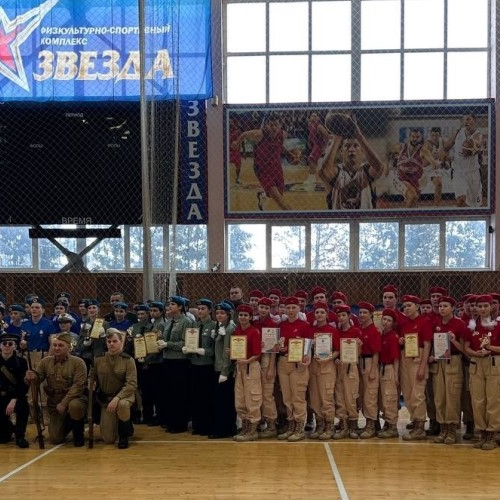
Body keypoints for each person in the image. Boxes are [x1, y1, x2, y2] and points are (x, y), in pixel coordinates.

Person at [25, 332, 88, 446]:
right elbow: (37, 379)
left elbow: (78, 386)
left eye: (60, 345)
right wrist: (31, 377)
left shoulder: (78, 362)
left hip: (74, 398)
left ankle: (78, 434)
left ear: (69, 347)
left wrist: (64, 403)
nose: (56, 348)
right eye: (54, 345)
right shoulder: (46, 362)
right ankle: (68, 422)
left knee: (75, 406)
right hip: (54, 402)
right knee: (55, 438)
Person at [319, 114, 384, 210]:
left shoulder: (366, 171)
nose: (351, 150)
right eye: (347, 146)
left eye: (356, 146)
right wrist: (337, 137)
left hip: (364, 219)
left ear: (362, 150)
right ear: (341, 151)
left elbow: (379, 167)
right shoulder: (336, 173)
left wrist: (360, 136)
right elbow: (324, 171)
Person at [232, 113, 292, 211]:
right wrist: (237, 143)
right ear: (266, 125)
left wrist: (290, 154)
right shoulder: (259, 135)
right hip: (263, 170)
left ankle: (262, 195)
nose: (273, 127)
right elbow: (244, 134)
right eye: (271, 125)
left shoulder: (283, 135)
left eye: (276, 125)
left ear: (280, 125)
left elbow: (279, 146)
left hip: (277, 168)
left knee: (278, 195)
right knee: (282, 204)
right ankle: (291, 216)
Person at [463, 294, 500, 450]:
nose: (483, 309)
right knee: (477, 400)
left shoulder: (498, 324)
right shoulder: (472, 325)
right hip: (476, 363)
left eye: (486, 306)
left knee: (493, 399)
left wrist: (490, 348)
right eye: (480, 306)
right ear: (476, 308)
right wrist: (475, 353)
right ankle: (482, 432)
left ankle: (492, 433)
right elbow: (466, 347)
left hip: (493, 362)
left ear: (491, 307)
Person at [431, 296, 467, 445]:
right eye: (440, 306)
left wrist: (453, 340)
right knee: (439, 396)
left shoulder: (459, 324)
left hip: (453, 361)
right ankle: (443, 428)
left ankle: (452, 429)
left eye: (445, 306)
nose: (442, 308)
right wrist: (432, 355)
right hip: (439, 362)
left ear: (452, 308)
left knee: (452, 396)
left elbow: (465, 349)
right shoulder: (436, 323)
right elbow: (433, 344)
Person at [277, 296, 312, 442]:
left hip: (298, 364)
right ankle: (291, 425)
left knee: (298, 396)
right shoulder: (281, 325)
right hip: (283, 362)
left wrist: (306, 359)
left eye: (293, 307)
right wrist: (280, 348)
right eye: (288, 308)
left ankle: (299, 427)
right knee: (287, 397)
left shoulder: (305, 326)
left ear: (299, 308)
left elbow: (308, 346)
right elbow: (278, 346)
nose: (291, 310)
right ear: (285, 309)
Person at [94, 329, 137, 449]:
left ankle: (124, 434)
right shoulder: (98, 359)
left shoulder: (128, 360)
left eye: (114, 341)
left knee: (123, 405)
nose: (111, 344)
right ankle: (119, 422)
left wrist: (117, 398)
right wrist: (91, 383)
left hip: (124, 395)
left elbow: (131, 384)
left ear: (121, 342)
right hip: (106, 397)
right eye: (109, 341)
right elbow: (93, 377)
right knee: (108, 439)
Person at [156, 296, 193, 433]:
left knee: (179, 393)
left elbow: (186, 343)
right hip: (167, 360)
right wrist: (160, 342)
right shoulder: (168, 322)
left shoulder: (186, 322)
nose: (169, 306)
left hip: (180, 361)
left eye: (172, 304)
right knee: (169, 392)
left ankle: (180, 423)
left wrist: (168, 344)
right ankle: (170, 420)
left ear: (180, 307)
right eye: (168, 304)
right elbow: (164, 338)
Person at [398, 295, 432, 441]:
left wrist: (423, 367)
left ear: (417, 306)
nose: (406, 308)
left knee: (417, 394)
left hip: (418, 358)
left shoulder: (424, 321)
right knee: (407, 393)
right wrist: (401, 341)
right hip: (405, 357)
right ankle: (414, 420)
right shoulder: (404, 323)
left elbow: (427, 345)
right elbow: (402, 341)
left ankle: (420, 427)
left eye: (409, 305)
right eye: (405, 306)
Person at [184, 299, 216, 437]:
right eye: (199, 309)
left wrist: (205, 351)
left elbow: (216, 348)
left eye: (203, 308)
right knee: (196, 396)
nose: (200, 311)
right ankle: (197, 425)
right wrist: (187, 349)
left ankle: (207, 425)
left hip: (207, 365)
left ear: (210, 310)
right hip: (194, 364)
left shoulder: (214, 326)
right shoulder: (194, 326)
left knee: (206, 397)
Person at [308, 302, 339, 440]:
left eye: (322, 312)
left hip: (327, 366)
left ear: (327, 314)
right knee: (315, 398)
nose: (319, 315)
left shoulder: (332, 331)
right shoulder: (311, 330)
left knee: (326, 397)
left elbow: (338, 350)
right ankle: (319, 425)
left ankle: (329, 426)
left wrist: (328, 359)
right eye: (317, 312)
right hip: (313, 365)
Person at [232, 304, 262, 442]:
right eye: (241, 315)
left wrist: (247, 361)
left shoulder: (254, 332)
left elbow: (257, 353)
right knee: (240, 398)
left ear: (250, 317)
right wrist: (231, 352)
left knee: (252, 397)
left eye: (245, 315)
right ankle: (245, 426)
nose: (243, 317)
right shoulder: (237, 331)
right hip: (240, 367)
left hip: (251, 366)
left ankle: (253, 430)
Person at [333, 304, 362, 440]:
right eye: (339, 316)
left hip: (351, 367)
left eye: (344, 315)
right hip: (338, 367)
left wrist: (359, 346)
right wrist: (336, 360)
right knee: (340, 397)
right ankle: (343, 426)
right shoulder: (336, 332)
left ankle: (353, 426)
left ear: (349, 316)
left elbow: (358, 354)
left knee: (351, 397)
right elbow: (334, 350)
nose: (341, 318)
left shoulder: (356, 331)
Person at [252, 296, 279, 438]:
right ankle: (257, 421)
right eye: (261, 307)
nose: (263, 310)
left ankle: (272, 424)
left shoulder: (273, 324)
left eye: (266, 308)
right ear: (258, 307)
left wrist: (271, 368)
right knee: (256, 393)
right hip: (255, 359)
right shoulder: (254, 322)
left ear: (270, 309)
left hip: (267, 358)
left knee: (267, 394)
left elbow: (274, 349)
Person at [444, 113, 484, 207]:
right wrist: (444, 158)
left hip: (473, 173)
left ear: (474, 120)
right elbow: (446, 147)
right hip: (458, 172)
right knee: (461, 200)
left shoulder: (478, 136)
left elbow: (477, 145)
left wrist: (472, 149)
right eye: (464, 120)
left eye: (468, 119)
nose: (465, 122)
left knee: (475, 206)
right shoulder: (458, 133)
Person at [211, 302, 237, 439]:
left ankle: (225, 429)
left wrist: (225, 372)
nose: (219, 315)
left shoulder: (229, 329)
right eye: (217, 313)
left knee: (224, 401)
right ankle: (223, 427)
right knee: (220, 400)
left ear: (228, 314)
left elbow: (228, 352)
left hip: (224, 369)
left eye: (222, 313)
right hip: (218, 366)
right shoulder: (220, 326)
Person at [0, 332, 29, 448]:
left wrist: (14, 399)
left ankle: (20, 435)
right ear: (0, 346)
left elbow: (23, 384)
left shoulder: (21, 362)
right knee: (3, 439)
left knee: (22, 406)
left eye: (10, 344)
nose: (7, 346)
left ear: (15, 346)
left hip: (15, 396)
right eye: (4, 344)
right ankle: (9, 428)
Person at [357, 301, 381, 439]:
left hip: (370, 362)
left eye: (365, 312)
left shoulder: (373, 330)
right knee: (362, 395)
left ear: (371, 314)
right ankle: (368, 423)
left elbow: (376, 353)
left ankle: (371, 425)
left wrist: (373, 370)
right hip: (360, 361)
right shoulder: (359, 329)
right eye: (360, 312)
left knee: (370, 396)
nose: (362, 315)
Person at [393, 128, 434, 208]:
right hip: (401, 178)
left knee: (414, 200)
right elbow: (389, 155)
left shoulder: (423, 150)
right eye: (413, 137)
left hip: (415, 179)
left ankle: (410, 214)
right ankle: (404, 215)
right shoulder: (400, 147)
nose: (415, 139)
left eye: (417, 137)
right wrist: (389, 165)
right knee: (412, 195)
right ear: (409, 137)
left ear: (421, 138)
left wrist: (434, 162)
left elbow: (432, 161)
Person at [377, 309, 400, 439]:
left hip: (390, 368)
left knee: (390, 397)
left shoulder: (392, 336)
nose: (386, 322)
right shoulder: (382, 335)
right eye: (384, 319)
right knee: (384, 399)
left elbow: (396, 358)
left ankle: (393, 427)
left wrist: (395, 374)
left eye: (389, 320)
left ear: (393, 323)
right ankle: (387, 423)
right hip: (382, 367)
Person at [422, 127, 452, 206]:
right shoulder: (427, 144)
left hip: (437, 167)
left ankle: (436, 206)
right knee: (418, 190)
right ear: (430, 135)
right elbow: (424, 163)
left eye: (436, 135)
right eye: (432, 135)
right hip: (426, 167)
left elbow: (446, 158)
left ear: (440, 135)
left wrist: (444, 161)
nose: (434, 137)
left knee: (439, 183)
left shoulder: (444, 142)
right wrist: (434, 158)